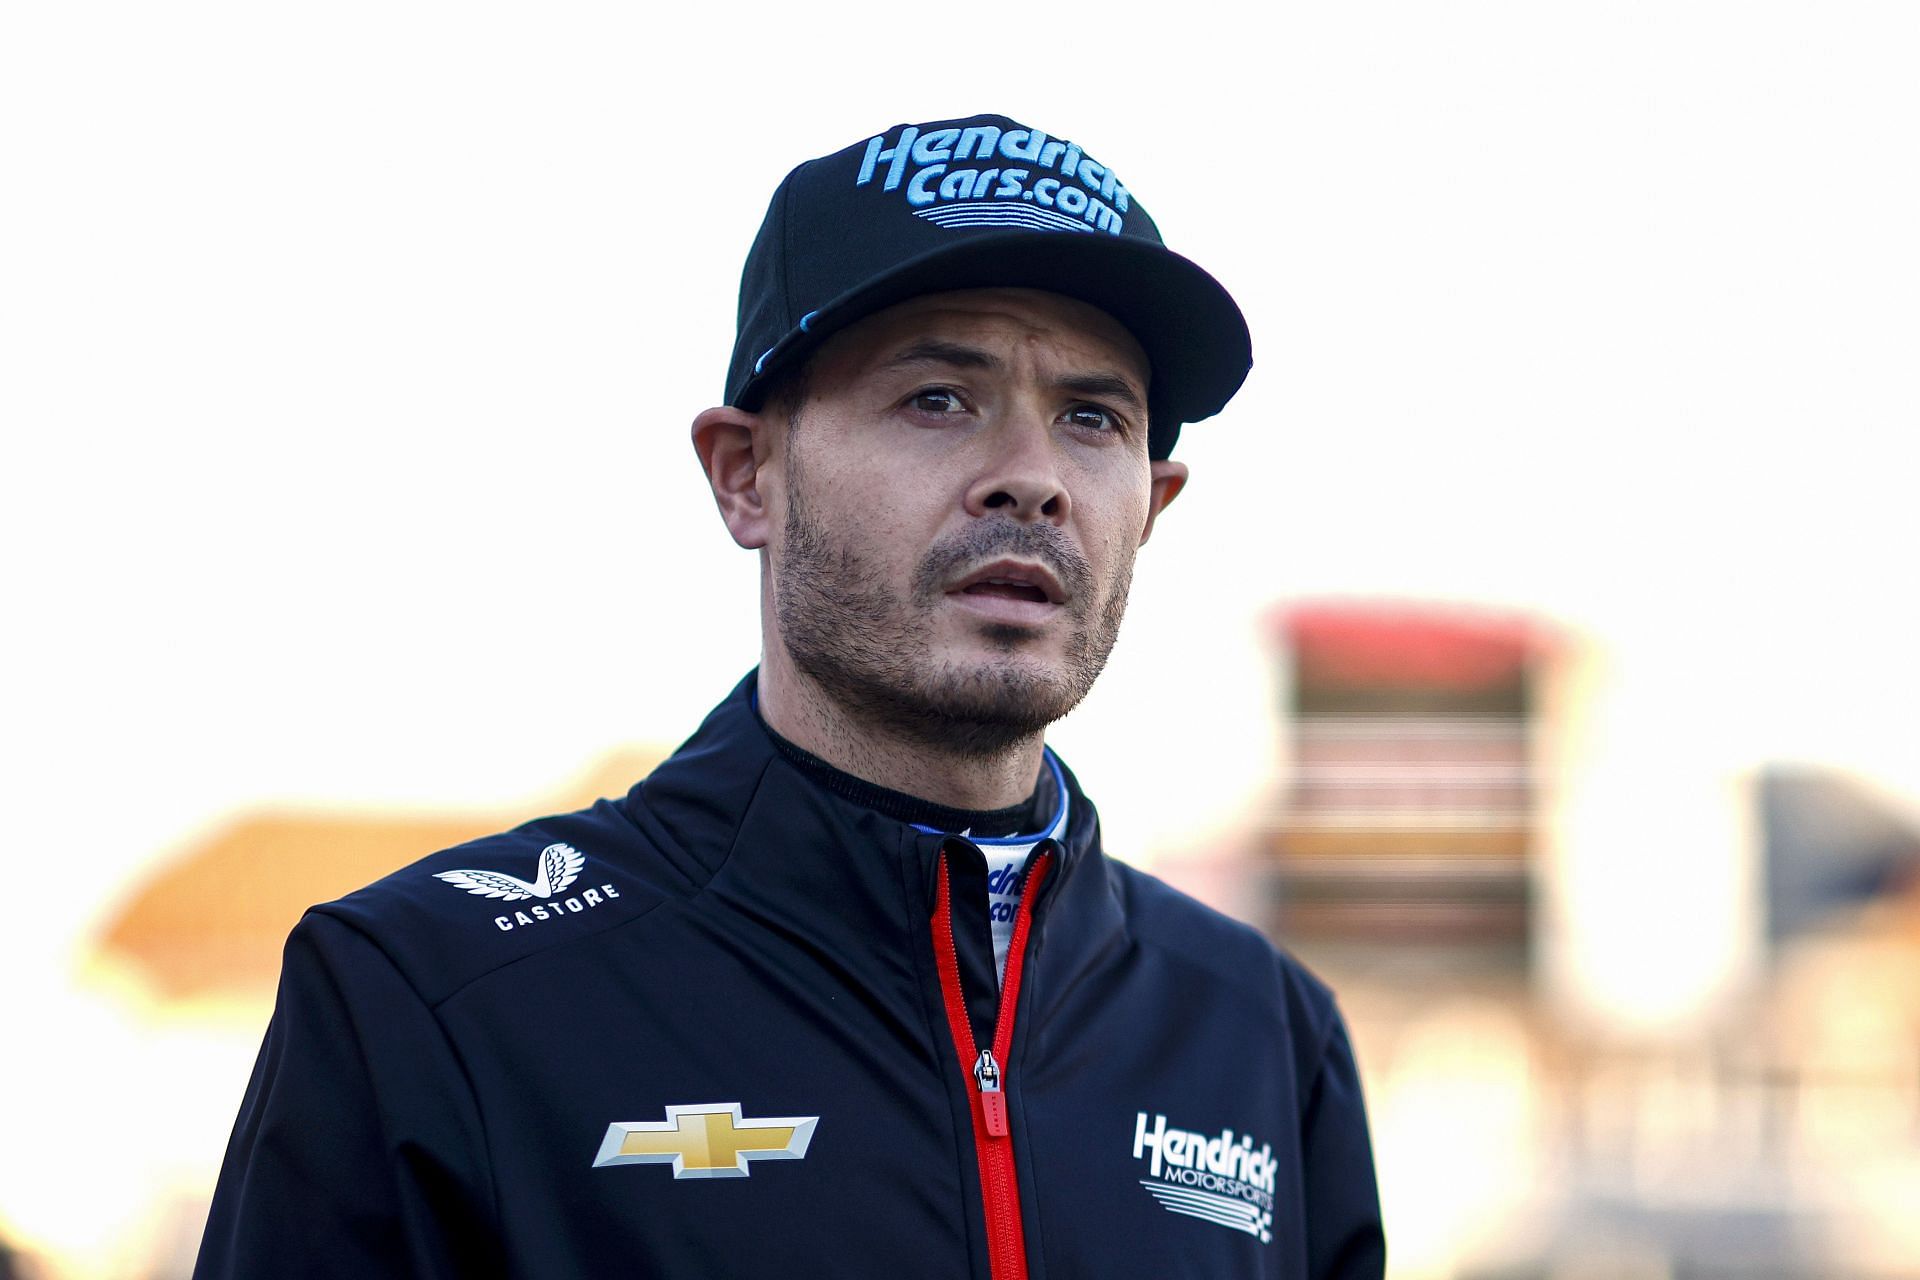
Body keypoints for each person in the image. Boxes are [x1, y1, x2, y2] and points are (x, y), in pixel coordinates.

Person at [195, 113, 1385, 1280]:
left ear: (1152, 504)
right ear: (746, 473)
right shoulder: (432, 994)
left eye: (1092, 416)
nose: (1030, 478)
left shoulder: (1268, 1039)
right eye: (937, 396)